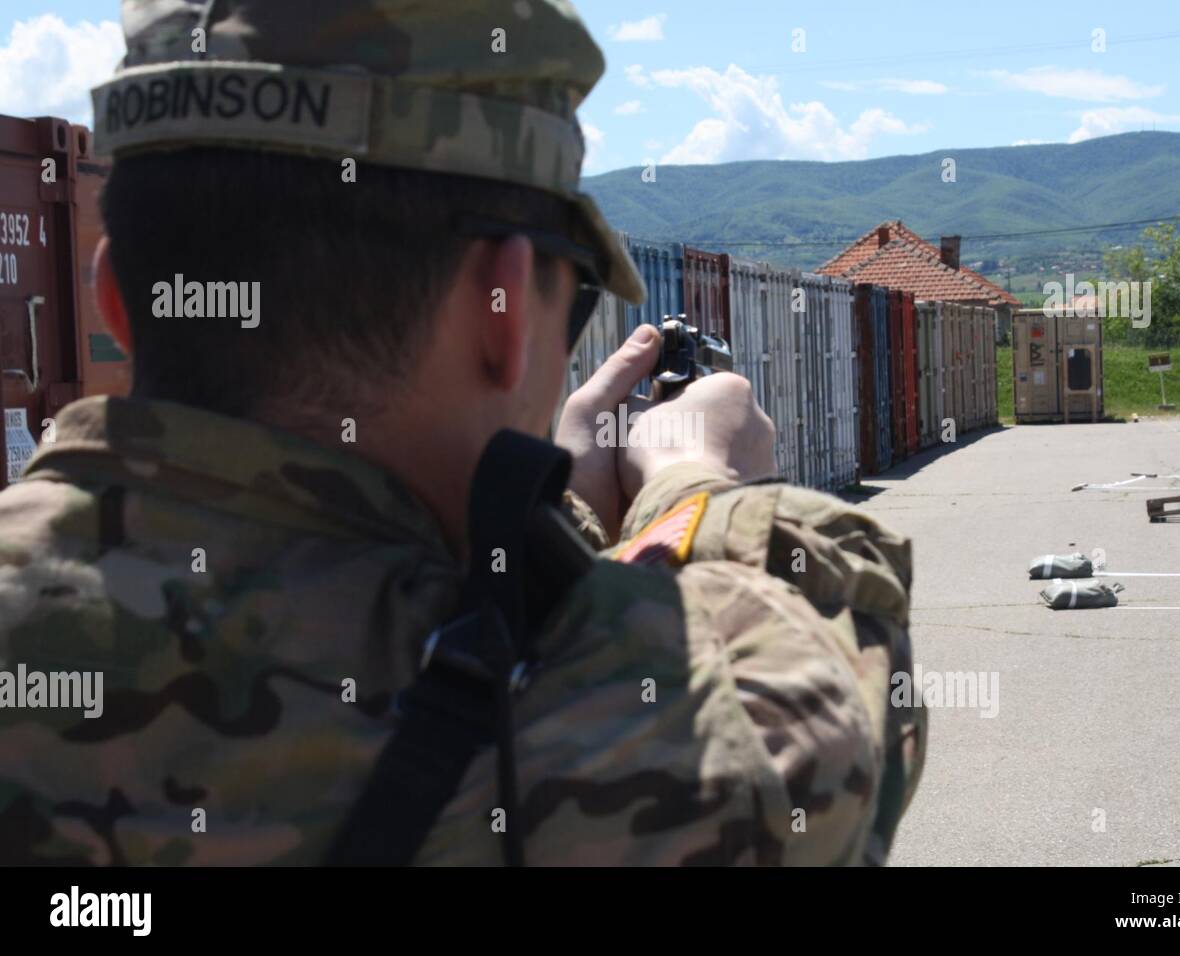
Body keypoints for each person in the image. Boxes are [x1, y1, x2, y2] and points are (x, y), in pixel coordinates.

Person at [0, 0, 924, 866]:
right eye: (577, 305)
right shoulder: (624, 752)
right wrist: (696, 486)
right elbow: (839, 701)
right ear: (503, 307)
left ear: (115, 299)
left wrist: (556, 515)